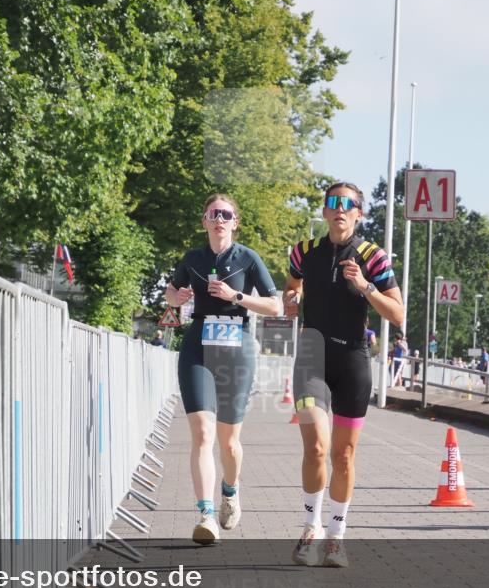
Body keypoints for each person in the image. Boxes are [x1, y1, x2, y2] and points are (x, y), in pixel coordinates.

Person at [283, 181, 405, 567]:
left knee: (344, 454)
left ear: (358, 214)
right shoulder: (304, 252)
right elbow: (292, 291)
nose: (339, 209)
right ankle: (310, 528)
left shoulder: (373, 256)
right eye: (333, 202)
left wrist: (365, 285)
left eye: (348, 204)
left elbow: (398, 315)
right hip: (311, 357)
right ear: (324, 211)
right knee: (316, 447)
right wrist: (291, 300)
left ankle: (336, 536)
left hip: (352, 358)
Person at [165, 194, 280, 543]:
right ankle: (206, 514)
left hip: (236, 347)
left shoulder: (247, 258)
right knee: (201, 434)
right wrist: (177, 298)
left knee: (229, 444)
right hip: (199, 344)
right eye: (213, 214)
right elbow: (171, 292)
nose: (219, 219)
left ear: (235, 222)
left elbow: (275, 306)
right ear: (204, 221)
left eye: (226, 214)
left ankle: (229, 491)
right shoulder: (193, 258)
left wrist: (236, 297)